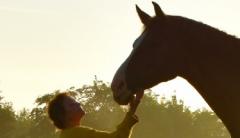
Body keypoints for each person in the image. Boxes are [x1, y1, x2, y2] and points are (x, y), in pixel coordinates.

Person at [47, 92, 142, 138]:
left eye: (76, 102)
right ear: (63, 115)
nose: (78, 104)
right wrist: (132, 109)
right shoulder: (76, 133)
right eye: (72, 105)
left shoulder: (67, 135)